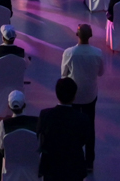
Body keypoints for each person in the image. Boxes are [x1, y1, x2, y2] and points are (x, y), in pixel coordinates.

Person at [60, 24, 104, 160]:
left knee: (71, 127)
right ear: (90, 36)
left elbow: (63, 74)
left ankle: (72, 156)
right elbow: (101, 73)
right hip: (90, 95)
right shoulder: (98, 53)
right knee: (90, 126)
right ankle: (89, 160)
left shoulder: (69, 53)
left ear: (76, 35)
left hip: (73, 96)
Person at [37, 77, 95, 181]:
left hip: (51, 168)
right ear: (74, 96)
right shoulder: (83, 119)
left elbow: (41, 138)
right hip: (74, 169)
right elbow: (84, 140)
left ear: (56, 94)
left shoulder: (45, 115)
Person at [0, 90, 38, 168]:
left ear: (8, 106)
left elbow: (1, 146)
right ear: (24, 105)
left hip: (12, 163)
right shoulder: (36, 122)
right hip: (31, 163)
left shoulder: (4, 124)